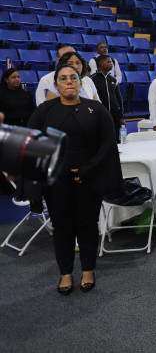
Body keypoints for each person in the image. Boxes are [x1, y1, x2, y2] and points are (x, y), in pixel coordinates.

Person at [27, 64, 122, 295]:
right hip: (56, 180)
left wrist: (89, 170)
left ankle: (88, 270)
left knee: (88, 225)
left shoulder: (96, 109)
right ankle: (66, 273)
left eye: (73, 77)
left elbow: (108, 143)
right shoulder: (44, 111)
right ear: (56, 85)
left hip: (89, 178)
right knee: (61, 227)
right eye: (63, 78)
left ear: (80, 82)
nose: (69, 81)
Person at [90, 54, 124, 142]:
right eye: (109, 62)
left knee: (116, 140)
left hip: (114, 116)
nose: (111, 64)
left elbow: (119, 99)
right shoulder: (92, 80)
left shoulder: (113, 79)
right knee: (102, 140)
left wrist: (121, 117)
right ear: (101, 64)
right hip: (100, 116)